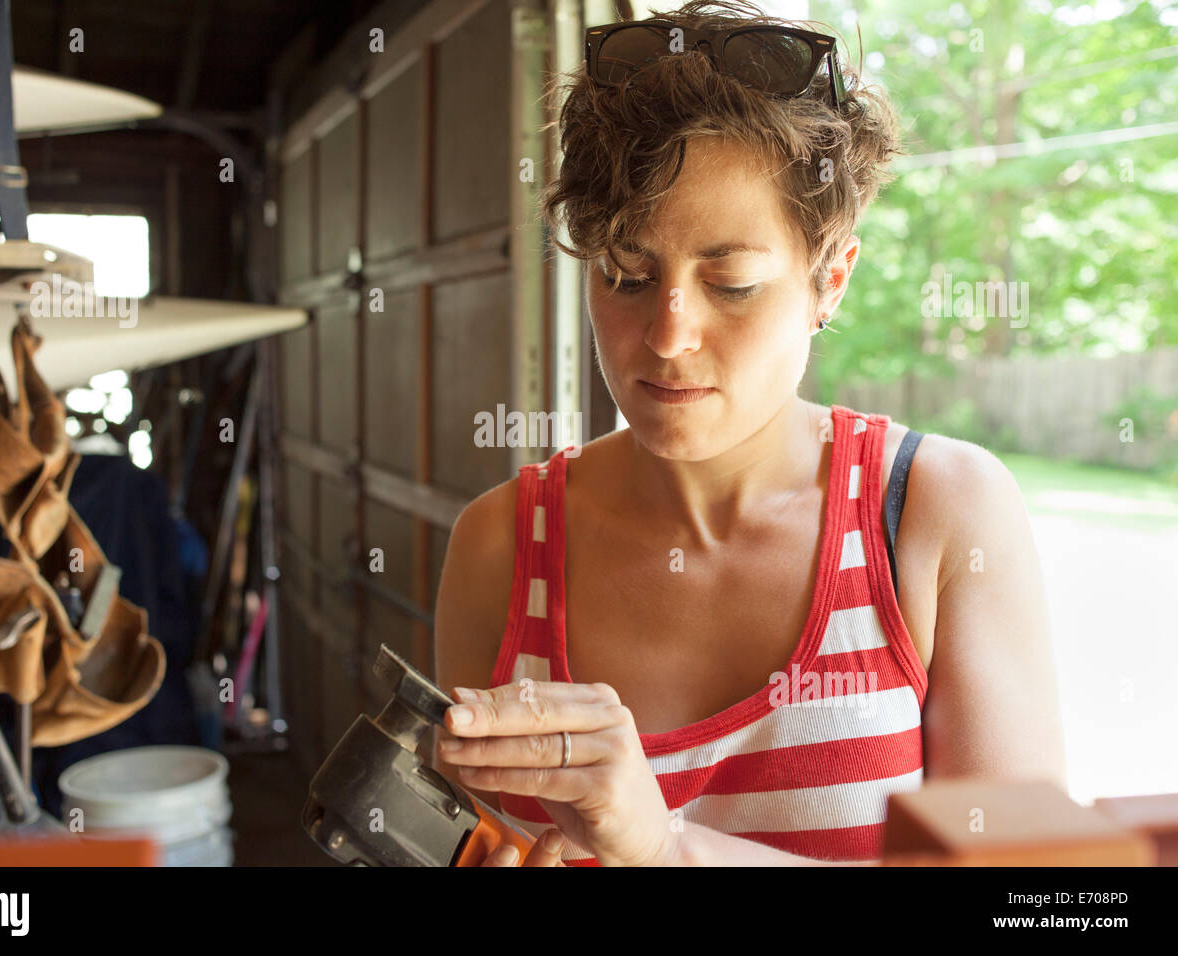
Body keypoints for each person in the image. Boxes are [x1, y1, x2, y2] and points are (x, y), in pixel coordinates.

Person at [432, 0, 1065, 866]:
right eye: (625, 274)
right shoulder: (501, 546)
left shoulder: (936, 514)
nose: (667, 334)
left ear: (829, 280)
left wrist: (669, 850)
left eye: (730, 283)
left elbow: (1034, 901)